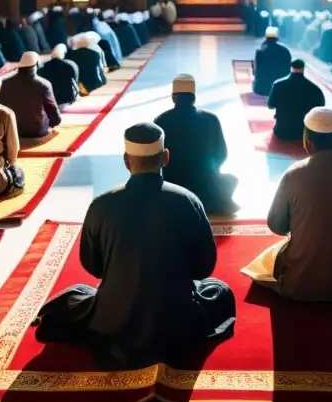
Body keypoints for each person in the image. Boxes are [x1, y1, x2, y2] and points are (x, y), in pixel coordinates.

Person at [33, 122, 235, 366]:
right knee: (219, 291)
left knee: (79, 297)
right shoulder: (188, 201)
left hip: (114, 323)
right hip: (177, 322)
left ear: (126, 160)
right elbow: (204, 269)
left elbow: (94, 266)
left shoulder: (101, 205)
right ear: (166, 157)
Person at [258, 108, 332, 301]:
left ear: (307, 141)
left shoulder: (294, 175)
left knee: (271, 257)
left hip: (299, 286)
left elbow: (277, 226)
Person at [154, 74, 234, 213]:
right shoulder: (211, 119)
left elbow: (155, 160)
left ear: (174, 97)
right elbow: (222, 154)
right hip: (207, 189)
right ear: (194, 97)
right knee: (231, 181)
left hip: (173, 190)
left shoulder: (161, 121)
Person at [0, 51, 62, 141]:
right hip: (37, 131)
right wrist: (56, 123)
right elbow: (52, 110)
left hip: (12, 129)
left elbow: (0, 107)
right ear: (37, 64)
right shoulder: (44, 84)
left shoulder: (5, 82)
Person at [267, 60, 326, 142]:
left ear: (291, 68)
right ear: (303, 68)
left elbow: (270, 105)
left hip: (281, 130)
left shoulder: (278, 85)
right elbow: (321, 107)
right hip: (303, 132)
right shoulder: (314, 88)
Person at [252, 26, 292, 97]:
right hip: (282, 89)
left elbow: (256, 71)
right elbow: (288, 70)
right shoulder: (285, 51)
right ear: (277, 37)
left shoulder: (260, 51)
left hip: (261, 89)